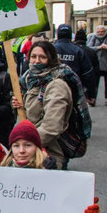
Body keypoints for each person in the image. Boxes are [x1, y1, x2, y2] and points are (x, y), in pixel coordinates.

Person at [11, 41, 77, 170]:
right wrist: (20, 105)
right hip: (30, 153)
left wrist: (23, 145)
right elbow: (33, 114)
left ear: (50, 59)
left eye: (42, 57)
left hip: (48, 155)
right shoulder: (29, 80)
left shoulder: (56, 85)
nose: (36, 61)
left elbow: (52, 126)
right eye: (33, 56)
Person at [53, 24, 96, 100]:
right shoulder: (78, 50)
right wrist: (91, 93)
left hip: (53, 88)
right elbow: (88, 73)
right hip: (73, 89)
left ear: (57, 34)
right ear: (70, 35)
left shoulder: (50, 49)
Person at [87, 25, 107, 105]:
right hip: (96, 64)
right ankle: (93, 99)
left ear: (105, 31)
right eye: (99, 32)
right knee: (94, 83)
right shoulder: (93, 37)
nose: (100, 33)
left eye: (102, 32)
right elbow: (89, 48)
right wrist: (98, 47)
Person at [74, 29, 99, 106]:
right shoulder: (91, 51)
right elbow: (96, 71)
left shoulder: (73, 50)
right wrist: (93, 93)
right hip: (86, 80)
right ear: (86, 39)